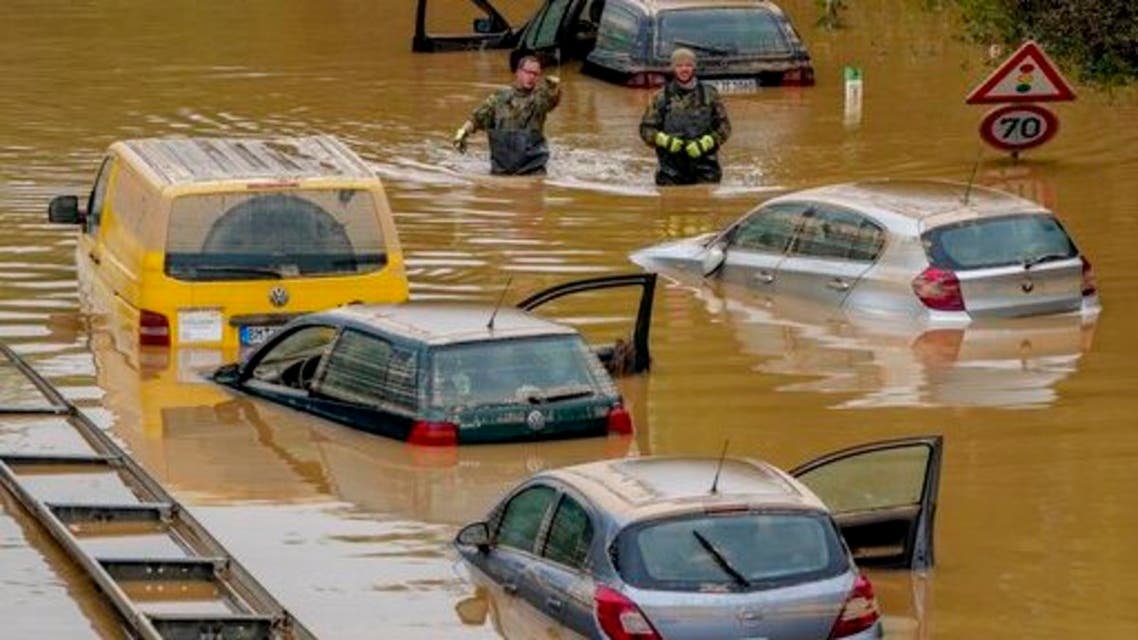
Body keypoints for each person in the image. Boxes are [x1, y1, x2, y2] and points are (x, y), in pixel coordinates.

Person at [452, 55, 561, 176]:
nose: (531, 77)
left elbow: (550, 100)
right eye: (528, 72)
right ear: (518, 72)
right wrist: (462, 133)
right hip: (502, 168)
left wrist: (553, 87)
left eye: (535, 74)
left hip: (533, 168)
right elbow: (477, 118)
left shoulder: (538, 99)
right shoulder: (499, 98)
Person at [639, 47, 732, 186]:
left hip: (706, 169)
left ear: (694, 67)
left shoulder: (709, 94)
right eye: (679, 66)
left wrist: (708, 142)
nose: (684, 69)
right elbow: (645, 130)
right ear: (673, 68)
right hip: (670, 171)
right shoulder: (661, 97)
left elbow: (725, 127)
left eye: (688, 65)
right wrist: (663, 140)